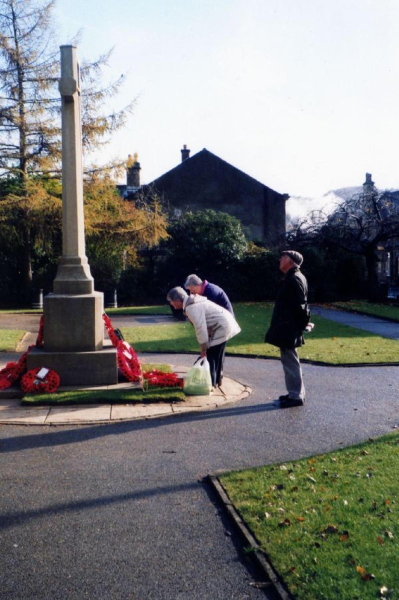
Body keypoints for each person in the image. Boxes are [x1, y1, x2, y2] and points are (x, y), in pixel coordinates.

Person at [166, 286, 241, 388]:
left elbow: (200, 328)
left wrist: (203, 348)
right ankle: (216, 382)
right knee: (216, 355)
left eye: (171, 301)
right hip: (225, 324)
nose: (171, 304)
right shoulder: (192, 302)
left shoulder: (191, 307)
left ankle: (210, 384)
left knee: (211, 356)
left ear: (178, 300)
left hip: (222, 327)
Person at [265, 250, 310, 408]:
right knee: (289, 359)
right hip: (288, 327)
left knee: (290, 361)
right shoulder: (294, 277)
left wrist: (304, 323)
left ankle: (296, 396)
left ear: (290, 261)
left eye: (283, 257)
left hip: (289, 328)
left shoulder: (294, 279)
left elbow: (301, 305)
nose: (279, 259)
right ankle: (294, 393)